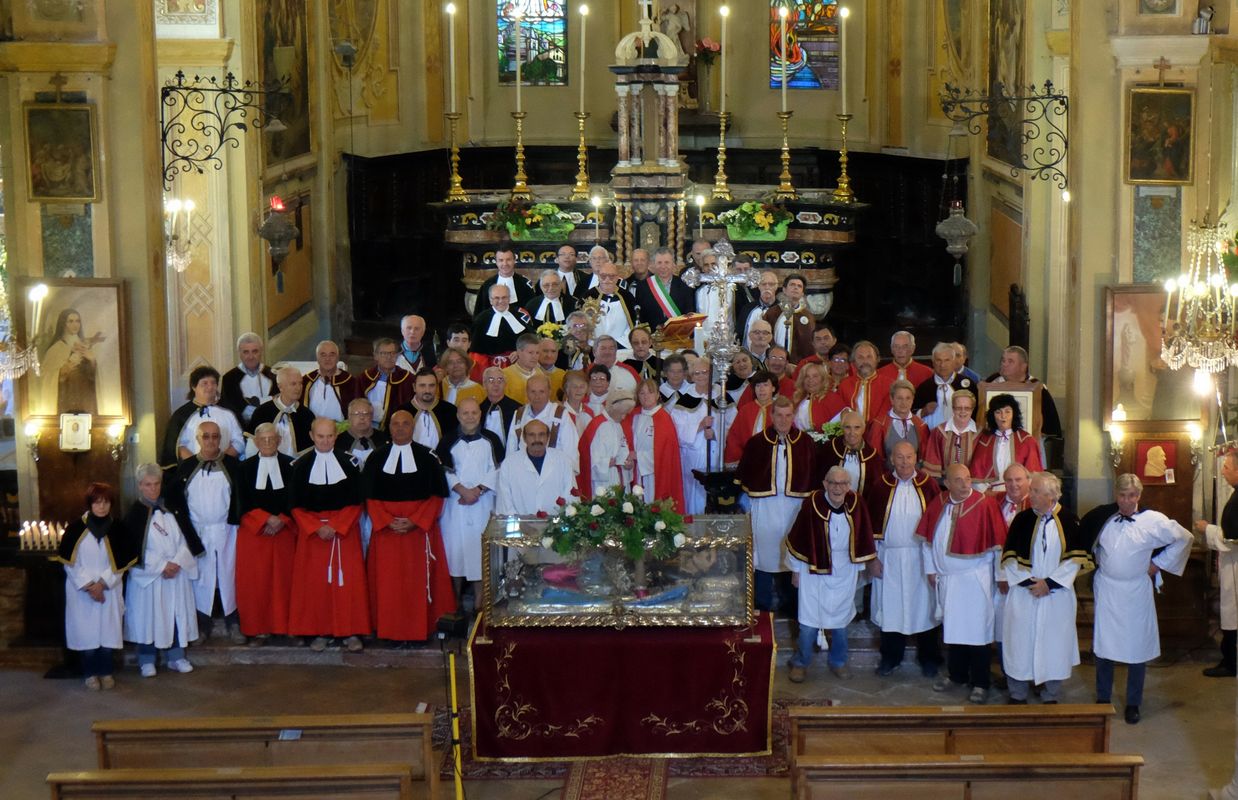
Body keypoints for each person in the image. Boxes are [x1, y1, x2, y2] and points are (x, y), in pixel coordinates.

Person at [1081, 473, 1193, 724]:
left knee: (1136, 647)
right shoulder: (1103, 518)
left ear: (1139, 496)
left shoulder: (1153, 521)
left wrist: (1158, 563)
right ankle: (1102, 699)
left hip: (1135, 591)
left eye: (1132, 496)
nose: (1127, 501)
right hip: (1108, 589)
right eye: (1122, 495)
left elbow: (1184, 538)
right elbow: (1088, 544)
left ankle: (1133, 702)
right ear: (1115, 495)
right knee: (1104, 645)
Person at [917, 463, 1008, 704]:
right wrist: (930, 569)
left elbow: (999, 546)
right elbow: (927, 541)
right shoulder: (939, 502)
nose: (966, 483)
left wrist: (1000, 576)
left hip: (975, 579)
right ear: (947, 483)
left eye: (968, 478)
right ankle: (956, 675)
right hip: (947, 580)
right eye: (958, 480)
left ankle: (980, 682)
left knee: (977, 632)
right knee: (953, 630)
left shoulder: (985, 504)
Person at [363, 410, 454, 644]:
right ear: (389, 428)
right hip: (387, 534)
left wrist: (416, 521)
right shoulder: (376, 457)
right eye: (396, 424)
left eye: (405, 424)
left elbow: (437, 497)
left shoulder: (428, 457)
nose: (400, 428)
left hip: (419, 534)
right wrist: (385, 520)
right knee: (387, 586)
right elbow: (369, 498)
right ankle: (388, 631)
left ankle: (419, 630)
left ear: (413, 427)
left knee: (417, 586)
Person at [785, 466, 880, 682]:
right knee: (808, 623)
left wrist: (860, 568)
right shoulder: (812, 504)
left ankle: (838, 661)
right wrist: (795, 570)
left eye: (843, 483)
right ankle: (801, 661)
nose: (838, 488)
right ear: (825, 484)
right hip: (814, 570)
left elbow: (863, 537)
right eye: (834, 483)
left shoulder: (857, 504)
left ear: (849, 486)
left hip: (844, 570)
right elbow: (798, 538)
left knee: (840, 621)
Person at [1001, 472, 1088, 705]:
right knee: (1019, 641)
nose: (1030, 495)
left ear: (1051, 495)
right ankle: (1017, 692)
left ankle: (1050, 693)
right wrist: (1032, 583)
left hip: (1055, 595)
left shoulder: (1070, 521)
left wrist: (1048, 584)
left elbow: (1074, 561)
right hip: (1024, 593)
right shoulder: (1022, 520)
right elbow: (1010, 559)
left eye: (1036, 491)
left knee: (1054, 644)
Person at [288, 417, 371, 653]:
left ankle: (350, 631)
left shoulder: (351, 463)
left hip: (344, 533)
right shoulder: (300, 466)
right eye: (320, 436)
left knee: (349, 585)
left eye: (330, 436)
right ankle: (321, 631)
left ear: (336, 436)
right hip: (313, 535)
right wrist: (316, 527)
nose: (325, 441)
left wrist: (337, 525)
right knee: (317, 586)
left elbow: (358, 501)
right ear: (312, 436)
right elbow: (294, 505)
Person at [868, 442, 942, 677]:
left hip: (921, 557)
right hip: (889, 557)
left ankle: (929, 658)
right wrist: (873, 559)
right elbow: (870, 527)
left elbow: (938, 526)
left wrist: (934, 561)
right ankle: (891, 657)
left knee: (925, 608)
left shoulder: (928, 485)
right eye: (899, 457)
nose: (904, 461)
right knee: (891, 609)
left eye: (908, 457)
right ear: (891, 459)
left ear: (916, 458)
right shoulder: (880, 487)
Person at [737, 397, 817, 613]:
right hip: (764, 506)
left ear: (793, 417)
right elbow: (745, 476)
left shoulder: (806, 442)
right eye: (779, 415)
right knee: (763, 555)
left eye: (788, 415)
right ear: (771, 416)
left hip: (795, 507)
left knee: (792, 552)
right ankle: (762, 604)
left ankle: (791, 605)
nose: (783, 420)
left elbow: (814, 476)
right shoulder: (756, 442)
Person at [167, 421, 243, 645]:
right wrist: (188, 533)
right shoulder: (187, 467)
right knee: (200, 580)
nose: (211, 441)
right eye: (206, 437)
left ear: (221, 439)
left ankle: (234, 622)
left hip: (228, 531)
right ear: (198, 440)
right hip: (197, 532)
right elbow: (174, 500)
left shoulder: (233, 466)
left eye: (215, 436)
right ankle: (201, 625)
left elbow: (242, 499)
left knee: (230, 576)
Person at [123, 463, 203, 677]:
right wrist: (161, 566)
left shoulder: (172, 509)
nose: (153, 489)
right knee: (148, 618)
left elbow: (186, 539)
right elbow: (132, 549)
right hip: (150, 578)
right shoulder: (134, 514)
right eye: (148, 485)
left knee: (174, 615)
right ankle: (147, 660)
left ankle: (176, 657)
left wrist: (177, 561)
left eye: (156, 484)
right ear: (140, 486)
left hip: (175, 574)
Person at [56, 482, 134, 689]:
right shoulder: (75, 530)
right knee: (87, 636)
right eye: (97, 502)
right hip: (83, 593)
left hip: (109, 589)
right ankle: (90, 674)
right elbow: (70, 565)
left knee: (107, 636)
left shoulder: (118, 529)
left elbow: (121, 563)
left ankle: (106, 672)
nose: (102, 507)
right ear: (90, 504)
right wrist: (90, 586)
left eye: (106, 502)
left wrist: (103, 584)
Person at [437, 398, 504, 611]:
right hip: (455, 506)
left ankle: (480, 603)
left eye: (474, 413)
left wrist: (478, 490)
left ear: (480, 414)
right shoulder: (448, 439)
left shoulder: (491, 439)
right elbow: (443, 469)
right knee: (453, 553)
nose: (470, 417)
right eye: (465, 413)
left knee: (480, 553)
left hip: (482, 504)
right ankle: (452, 602)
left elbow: (499, 468)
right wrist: (462, 490)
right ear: (458, 416)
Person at [234, 423, 297, 645]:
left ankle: (287, 628)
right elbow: (241, 502)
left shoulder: (291, 466)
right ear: (256, 442)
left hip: (284, 533)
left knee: (284, 583)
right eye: (264, 439)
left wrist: (282, 519)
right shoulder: (243, 469)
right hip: (255, 535)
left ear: (279, 441)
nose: (268, 443)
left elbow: (296, 500)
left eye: (272, 439)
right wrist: (264, 519)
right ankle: (258, 629)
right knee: (256, 584)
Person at [1195, 449, 1238, 677]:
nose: (1222, 472)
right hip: (1232, 563)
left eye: (1227, 468)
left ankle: (1231, 663)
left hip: (1236, 565)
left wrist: (1207, 529)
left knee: (1233, 613)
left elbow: (1232, 538)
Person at [160, 366, 244, 467]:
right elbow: (178, 446)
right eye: (204, 383)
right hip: (192, 469)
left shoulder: (230, 412)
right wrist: (198, 464)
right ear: (194, 386)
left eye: (213, 383)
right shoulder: (181, 415)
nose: (210, 387)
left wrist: (220, 462)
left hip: (225, 467)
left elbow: (239, 441)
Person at [627, 379, 686, 512]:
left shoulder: (664, 419)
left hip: (655, 473)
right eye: (642, 393)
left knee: (653, 505)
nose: (646, 396)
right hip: (635, 471)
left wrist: (639, 456)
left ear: (658, 395)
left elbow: (665, 453)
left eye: (650, 392)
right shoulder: (633, 415)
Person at [496, 419, 576, 515]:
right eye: (531, 435)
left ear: (548, 437)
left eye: (541, 434)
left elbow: (571, 495)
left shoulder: (563, 460)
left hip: (555, 525)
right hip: (521, 525)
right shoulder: (509, 463)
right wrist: (519, 525)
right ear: (524, 438)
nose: (537, 439)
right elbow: (505, 502)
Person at [984, 345, 1063, 439]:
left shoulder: (1037, 388)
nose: (1004, 364)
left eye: (1010, 361)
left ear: (1023, 366)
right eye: (1003, 360)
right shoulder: (990, 383)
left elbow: (1051, 426)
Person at [969, 393, 1045, 491]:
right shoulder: (984, 440)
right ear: (992, 415)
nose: (1003, 416)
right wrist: (985, 492)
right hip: (990, 494)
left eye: (1007, 412)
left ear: (1014, 414)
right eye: (998, 412)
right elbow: (976, 473)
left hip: (1018, 494)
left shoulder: (1027, 440)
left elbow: (1033, 474)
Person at [507, 373, 579, 472]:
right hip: (523, 474)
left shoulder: (560, 414)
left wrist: (564, 475)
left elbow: (570, 450)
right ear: (527, 392)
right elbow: (511, 448)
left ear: (549, 392)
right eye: (533, 392)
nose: (537, 396)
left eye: (542, 391)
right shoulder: (519, 414)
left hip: (554, 473)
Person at [578, 389, 637, 499]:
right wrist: (605, 463)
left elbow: (623, 448)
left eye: (626, 414)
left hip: (619, 477)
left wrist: (628, 463)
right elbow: (588, 458)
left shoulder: (618, 425)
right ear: (612, 408)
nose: (624, 417)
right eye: (622, 413)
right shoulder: (597, 425)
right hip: (603, 480)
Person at [40, 306, 100, 415]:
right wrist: (65, 368)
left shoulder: (86, 347)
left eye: (77, 321)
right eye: (70, 321)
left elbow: (92, 376)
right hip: (66, 396)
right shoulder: (56, 349)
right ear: (63, 324)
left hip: (85, 397)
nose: (75, 324)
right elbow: (45, 378)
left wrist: (92, 361)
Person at [816, 410, 885, 497]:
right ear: (842, 428)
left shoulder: (873, 458)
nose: (852, 433)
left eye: (857, 427)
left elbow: (876, 492)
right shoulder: (828, 450)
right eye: (847, 427)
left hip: (858, 508)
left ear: (863, 429)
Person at [250, 367, 314, 457]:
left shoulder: (307, 415)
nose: (298, 388)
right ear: (280, 386)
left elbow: (309, 451)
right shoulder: (262, 412)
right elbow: (251, 448)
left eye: (300, 383)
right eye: (293, 384)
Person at [220, 332, 277, 431]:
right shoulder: (229, 379)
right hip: (241, 431)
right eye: (246, 352)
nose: (250, 357)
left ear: (261, 352)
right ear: (239, 353)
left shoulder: (273, 375)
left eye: (255, 351)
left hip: (270, 430)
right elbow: (227, 410)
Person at [913, 341, 976, 430]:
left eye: (947, 360)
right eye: (938, 360)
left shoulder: (968, 385)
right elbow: (912, 415)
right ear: (933, 362)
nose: (942, 365)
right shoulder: (924, 387)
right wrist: (924, 411)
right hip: (931, 438)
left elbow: (976, 414)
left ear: (954, 361)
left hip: (962, 437)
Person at [922, 389, 980, 481]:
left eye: (967, 408)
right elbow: (932, 466)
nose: (962, 411)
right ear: (953, 408)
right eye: (958, 408)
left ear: (972, 409)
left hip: (971, 486)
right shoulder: (938, 432)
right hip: (944, 485)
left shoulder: (980, 434)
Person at [633, 246, 695, 329]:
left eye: (667, 262)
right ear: (653, 264)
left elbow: (689, 313)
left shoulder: (684, 286)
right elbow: (641, 316)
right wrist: (655, 326)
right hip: (653, 336)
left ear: (673, 264)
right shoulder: (643, 287)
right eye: (659, 262)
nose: (663, 266)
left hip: (678, 336)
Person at [865, 379, 928, 460]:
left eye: (908, 398)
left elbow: (923, 458)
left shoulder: (921, 425)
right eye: (899, 398)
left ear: (913, 400)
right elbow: (874, 459)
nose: (904, 403)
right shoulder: (879, 424)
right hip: (887, 472)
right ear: (892, 399)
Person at [833, 340, 894, 423]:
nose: (865, 361)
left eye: (869, 357)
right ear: (853, 362)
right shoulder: (844, 385)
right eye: (860, 357)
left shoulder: (889, 385)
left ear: (877, 359)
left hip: (880, 433)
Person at [725, 371, 778, 466]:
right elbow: (734, 436)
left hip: (774, 460)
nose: (761, 389)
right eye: (758, 386)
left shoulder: (779, 409)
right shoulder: (745, 410)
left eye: (765, 385)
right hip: (749, 460)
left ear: (773, 388)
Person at [301, 340, 361, 422]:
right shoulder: (306, 381)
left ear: (338, 357)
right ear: (317, 357)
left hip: (341, 431)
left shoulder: (351, 382)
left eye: (332, 355)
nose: (327, 359)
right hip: (312, 430)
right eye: (323, 355)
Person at [361, 337, 414, 428]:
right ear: (375, 356)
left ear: (397, 355)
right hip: (368, 427)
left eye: (392, 353)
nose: (389, 357)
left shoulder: (408, 379)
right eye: (383, 353)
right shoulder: (364, 378)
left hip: (396, 428)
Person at [401, 370, 457, 450]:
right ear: (414, 387)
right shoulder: (402, 411)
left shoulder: (450, 411)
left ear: (437, 387)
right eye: (422, 386)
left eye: (431, 385)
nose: (427, 390)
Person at [473, 244, 534, 316]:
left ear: (514, 260)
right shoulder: (487, 285)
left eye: (508, 259)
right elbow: (480, 314)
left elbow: (531, 312)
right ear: (496, 262)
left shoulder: (525, 284)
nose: (505, 264)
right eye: (501, 260)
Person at [585, 262, 636, 348]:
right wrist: (593, 345)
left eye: (611, 276)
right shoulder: (587, 297)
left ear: (617, 278)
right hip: (593, 348)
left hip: (621, 348)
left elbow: (633, 324)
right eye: (603, 276)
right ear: (598, 277)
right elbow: (582, 325)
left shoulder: (627, 297)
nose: (607, 280)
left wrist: (619, 344)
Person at [766, 273, 814, 361]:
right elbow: (766, 338)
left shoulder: (808, 316)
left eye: (799, 286)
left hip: (799, 364)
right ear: (784, 290)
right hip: (775, 362)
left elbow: (810, 343)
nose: (796, 288)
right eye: (792, 285)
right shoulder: (772, 312)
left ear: (802, 293)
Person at [472, 284, 529, 356]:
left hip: (519, 360)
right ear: (490, 300)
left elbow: (531, 341)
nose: (500, 301)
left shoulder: (522, 315)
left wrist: (520, 352)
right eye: (496, 298)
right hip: (491, 363)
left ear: (509, 298)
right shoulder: (481, 319)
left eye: (504, 297)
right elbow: (476, 350)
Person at [335, 397, 389, 469]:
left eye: (366, 413)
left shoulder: (384, 440)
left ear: (372, 416)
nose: (362, 417)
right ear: (349, 416)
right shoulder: (338, 442)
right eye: (356, 413)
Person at [794, 362, 844, 433]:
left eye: (815, 376)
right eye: (807, 376)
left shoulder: (833, 399)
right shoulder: (797, 398)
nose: (810, 380)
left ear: (822, 379)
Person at [479, 367, 520, 447]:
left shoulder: (517, 409)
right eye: (491, 380)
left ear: (505, 384)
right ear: (484, 384)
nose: (496, 384)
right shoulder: (479, 410)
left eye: (500, 380)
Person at [502, 333, 544, 405]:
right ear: (519, 352)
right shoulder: (505, 375)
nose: (534, 357)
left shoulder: (541, 375)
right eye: (530, 352)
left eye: (537, 353)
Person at [739, 270, 779, 344]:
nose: (767, 287)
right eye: (763, 284)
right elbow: (740, 333)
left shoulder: (781, 309)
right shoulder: (747, 309)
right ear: (758, 286)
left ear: (776, 287)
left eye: (771, 284)